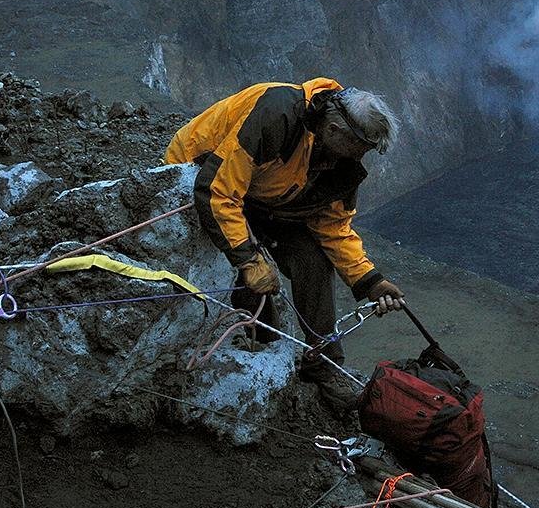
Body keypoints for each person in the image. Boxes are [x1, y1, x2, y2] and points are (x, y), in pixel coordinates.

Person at [164, 78, 408, 411]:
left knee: (313, 261)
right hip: (200, 173)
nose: (360, 159)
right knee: (251, 279)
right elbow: (218, 190)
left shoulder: (336, 157)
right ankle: (263, 335)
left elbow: (332, 225)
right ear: (336, 130)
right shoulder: (277, 115)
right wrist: (249, 260)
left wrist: (370, 281)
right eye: (359, 148)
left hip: (266, 196)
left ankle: (323, 365)